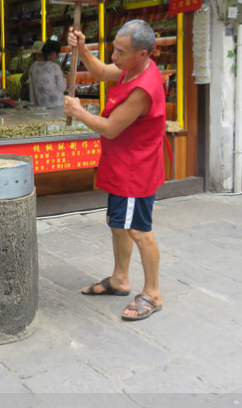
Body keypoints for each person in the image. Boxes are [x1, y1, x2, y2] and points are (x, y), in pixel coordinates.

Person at [63, 19, 165, 321]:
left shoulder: (143, 88)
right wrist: (82, 48)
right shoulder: (132, 68)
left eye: (121, 52)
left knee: (139, 230)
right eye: (114, 50)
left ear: (142, 54)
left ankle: (153, 293)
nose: (115, 57)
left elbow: (109, 128)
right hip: (122, 165)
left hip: (136, 171)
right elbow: (100, 71)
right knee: (118, 222)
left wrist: (80, 112)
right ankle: (120, 278)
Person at [28, 40, 66, 108]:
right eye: (58, 55)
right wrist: (65, 77)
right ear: (54, 54)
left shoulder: (33, 67)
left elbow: (32, 92)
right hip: (57, 105)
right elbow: (62, 87)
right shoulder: (55, 67)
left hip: (42, 106)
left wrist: (33, 105)